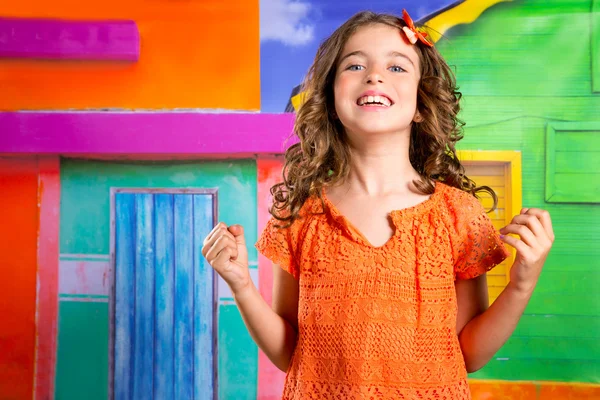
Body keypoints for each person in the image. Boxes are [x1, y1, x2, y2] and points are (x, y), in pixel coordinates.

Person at [202, 9, 554, 399]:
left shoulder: (458, 216)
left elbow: (468, 353)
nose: (374, 75)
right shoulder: (300, 215)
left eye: (397, 67)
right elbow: (290, 353)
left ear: (421, 104)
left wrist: (522, 283)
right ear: (331, 96)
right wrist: (241, 285)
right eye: (355, 64)